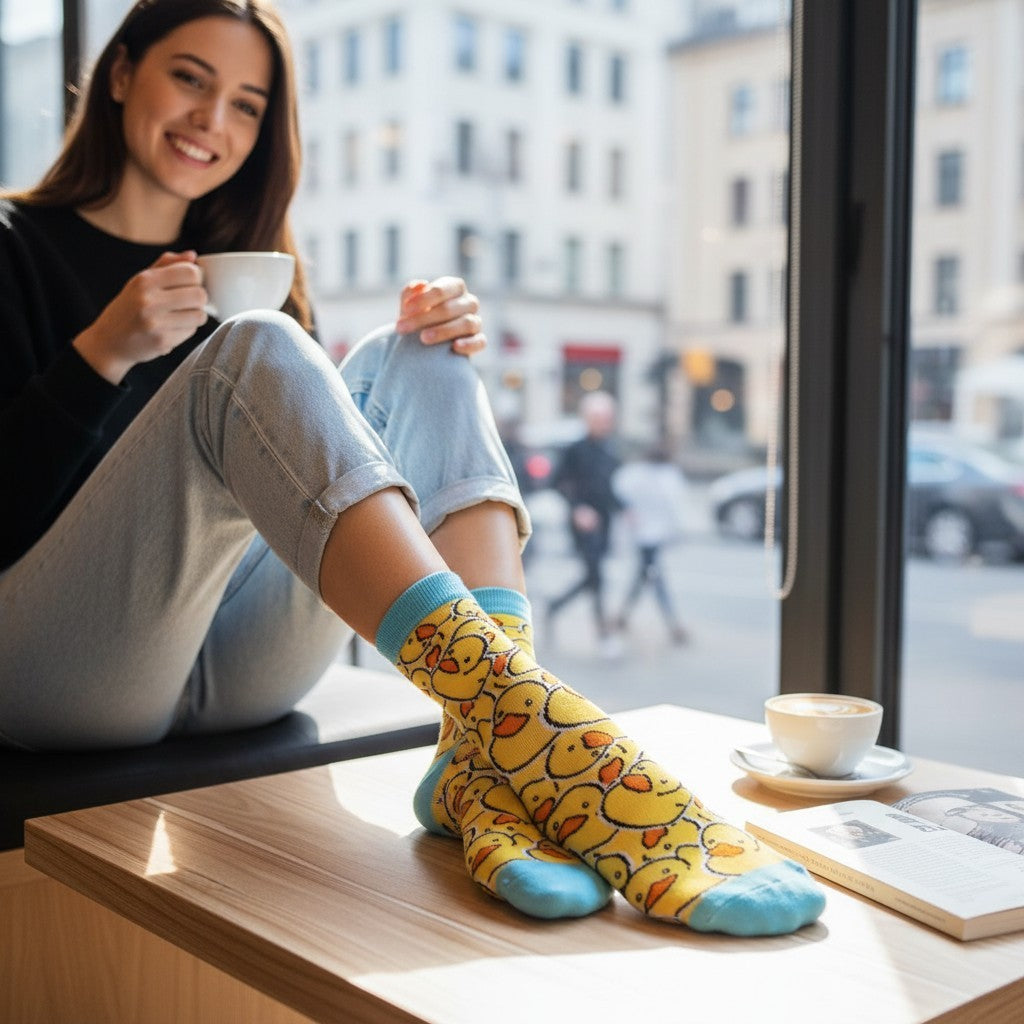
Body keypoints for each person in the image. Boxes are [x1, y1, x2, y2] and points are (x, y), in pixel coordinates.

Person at [0, 0, 824, 937]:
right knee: (257, 345)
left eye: (247, 104)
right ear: (121, 74)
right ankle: (528, 725)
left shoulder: (261, 268)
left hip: (233, 664)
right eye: (190, 78)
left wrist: (433, 336)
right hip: (58, 670)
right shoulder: (15, 245)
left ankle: (485, 756)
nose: (212, 119)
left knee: (423, 346)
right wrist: (101, 354)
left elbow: (298, 493)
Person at [544, 391, 622, 655]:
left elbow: (608, 488)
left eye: (607, 418)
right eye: (599, 417)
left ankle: (554, 606)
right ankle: (604, 635)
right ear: (587, 419)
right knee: (597, 577)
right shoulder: (575, 450)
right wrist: (577, 509)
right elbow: (557, 483)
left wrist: (626, 509)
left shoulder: (610, 449)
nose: (604, 423)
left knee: (592, 577)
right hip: (583, 524)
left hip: (604, 522)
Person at [612, 443, 691, 645]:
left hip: (641, 534)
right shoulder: (667, 478)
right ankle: (673, 624)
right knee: (655, 578)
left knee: (645, 576)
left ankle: (623, 616)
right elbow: (675, 507)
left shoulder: (634, 475)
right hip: (653, 536)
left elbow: (620, 490)